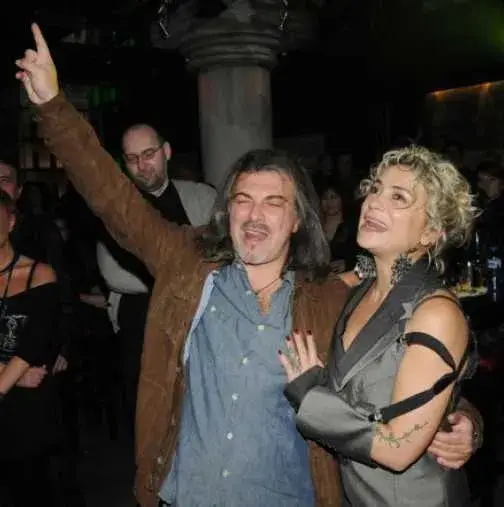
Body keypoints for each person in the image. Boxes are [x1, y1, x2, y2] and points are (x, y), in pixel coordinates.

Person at [16, 24, 481, 507]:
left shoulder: (329, 300)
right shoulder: (187, 268)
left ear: (297, 219)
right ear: (227, 211)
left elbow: (393, 377)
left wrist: (463, 419)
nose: (255, 215)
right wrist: (53, 105)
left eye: (273, 203)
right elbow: (113, 199)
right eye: (243, 200)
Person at [280, 146, 479, 505]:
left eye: (398, 197)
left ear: (430, 232)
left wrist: (309, 396)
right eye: (375, 189)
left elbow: (399, 449)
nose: (373, 202)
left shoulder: (435, 313)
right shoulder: (360, 294)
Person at [96, 122, 216, 430]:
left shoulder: (202, 197)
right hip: (143, 319)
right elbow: (114, 275)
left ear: (166, 152)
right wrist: (184, 274)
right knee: (152, 417)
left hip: (201, 316)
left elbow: (223, 255)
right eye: (132, 158)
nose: (141, 165)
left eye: (148, 154)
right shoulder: (118, 208)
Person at [0, 188, 61, 505]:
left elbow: (32, 344)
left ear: (11, 221)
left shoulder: (40, 274)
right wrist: (12, 376)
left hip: (25, 406)